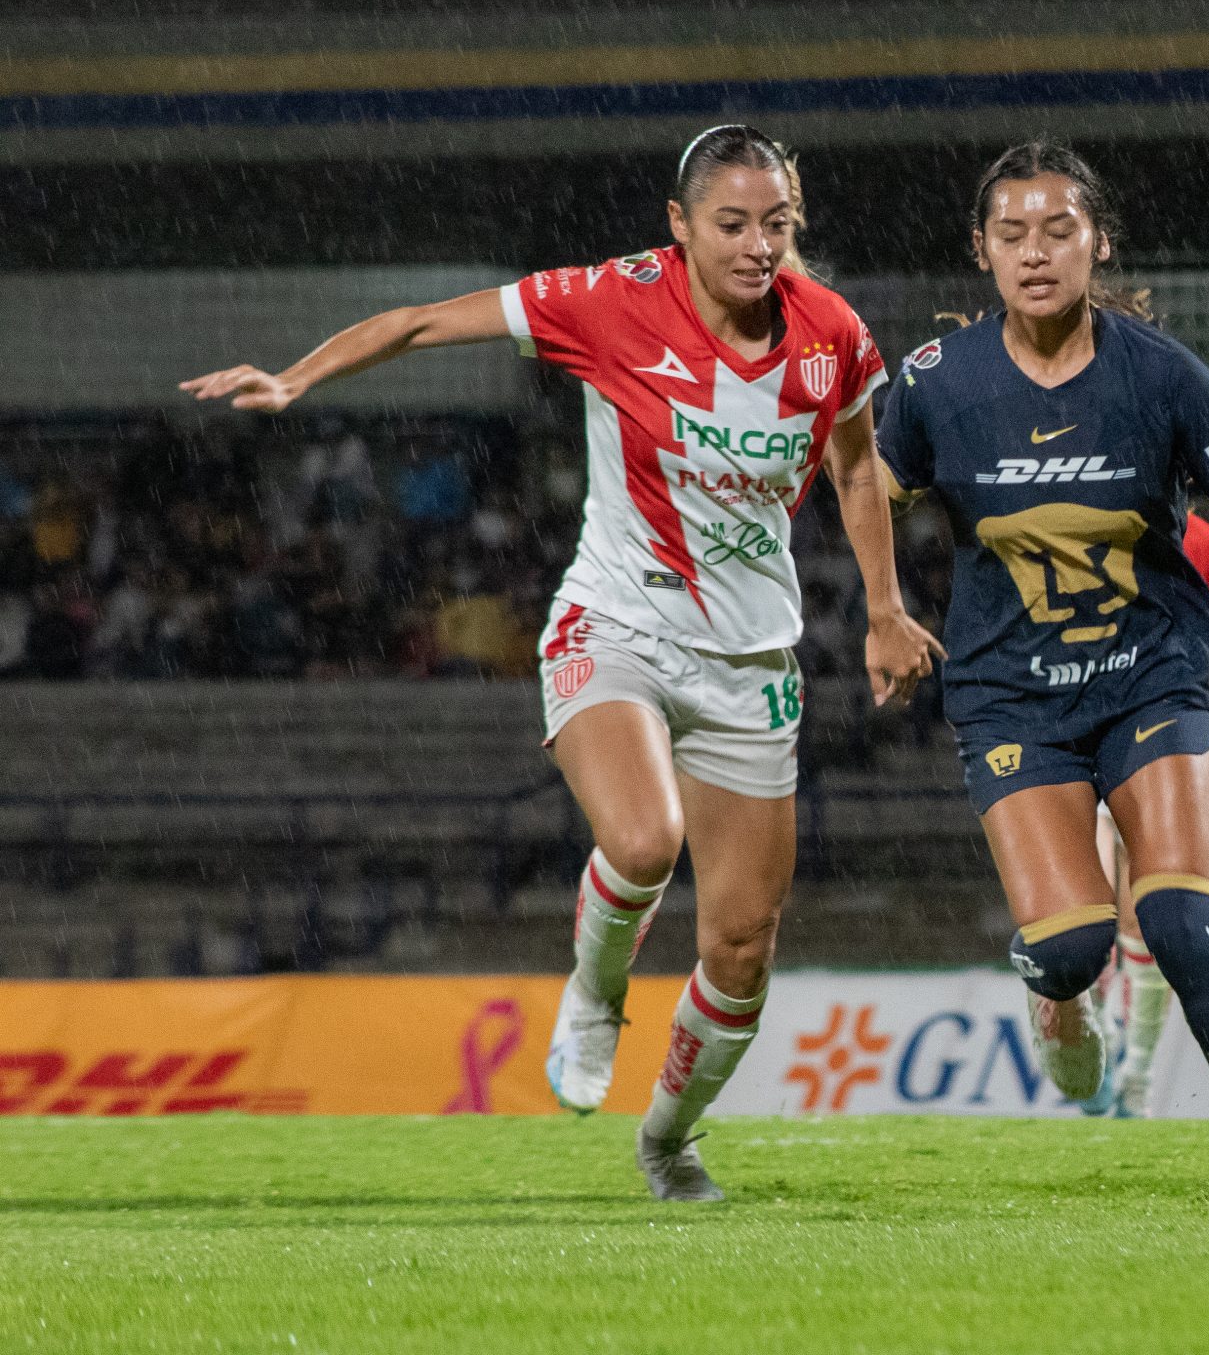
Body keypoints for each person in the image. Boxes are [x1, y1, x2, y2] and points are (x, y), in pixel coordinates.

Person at [180, 124, 942, 1202]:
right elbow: (421, 322)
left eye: (777, 223)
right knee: (641, 838)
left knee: (741, 945)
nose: (757, 244)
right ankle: (594, 991)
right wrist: (299, 379)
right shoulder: (607, 299)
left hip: (752, 658)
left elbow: (858, 470)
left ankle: (667, 1140)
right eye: (731, 224)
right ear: (678, 229)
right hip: (615, 623)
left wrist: (882, 609)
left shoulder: (831, 335)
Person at [874, 140, 1209, 1198]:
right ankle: (1051, 988)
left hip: (1152, 674)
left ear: (1096, 243)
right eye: (1012, 235)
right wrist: (881, 608)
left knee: (1179, 918)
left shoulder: (1161, 372)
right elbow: (863, 483)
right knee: (1076, 945)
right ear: (981, 252)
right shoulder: (936, 384)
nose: (1035, 254)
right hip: (1011, 695)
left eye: (1058, 231)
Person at [1083, 507, 1209, 1119]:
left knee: (1148, 923)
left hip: (1162, 735)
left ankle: (1136, 1077)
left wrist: (1177, 647)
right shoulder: (1081, 516)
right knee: (1085, 915)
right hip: (1083, 727)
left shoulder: (1198, 536)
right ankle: (1102, 1039)